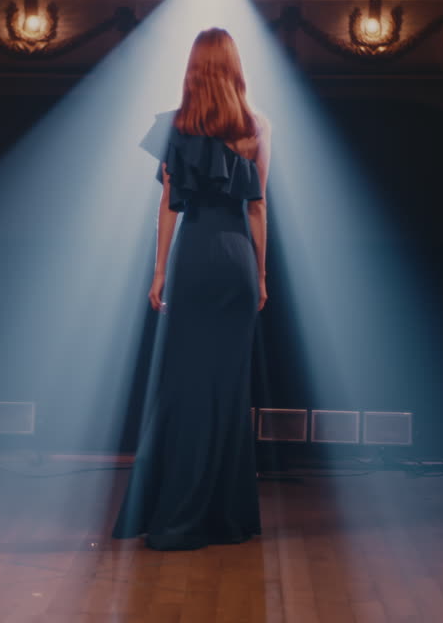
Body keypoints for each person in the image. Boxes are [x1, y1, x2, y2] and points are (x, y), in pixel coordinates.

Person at [111, 27, 271, 551]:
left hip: (195, 260)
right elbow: (257, 207)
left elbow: (168, 206)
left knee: (182, 387)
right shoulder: (256, 126)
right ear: (235, 66)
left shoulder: (174, 128)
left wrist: (159, 272)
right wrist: (261, 275)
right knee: (228, 392)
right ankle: (224, 517)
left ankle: (174, 510)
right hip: (236, 264)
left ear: (193, 67)